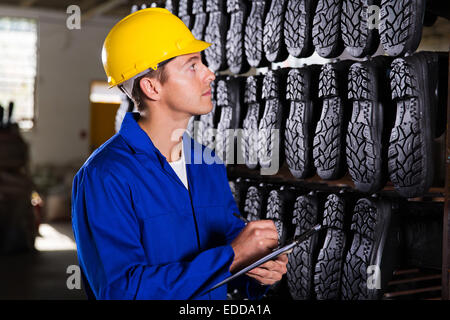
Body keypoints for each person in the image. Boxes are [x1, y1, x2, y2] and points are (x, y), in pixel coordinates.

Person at [71, 7, 288, 300]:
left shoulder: (207, 163)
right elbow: (121, 291)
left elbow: (231, 263)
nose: (210, 75)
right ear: (152, 86)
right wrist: (232, 258)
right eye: (192, 66)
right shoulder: (105, 176)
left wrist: (258, 269)